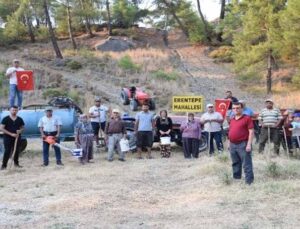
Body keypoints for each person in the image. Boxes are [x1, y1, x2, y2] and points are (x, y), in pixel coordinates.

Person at [228, 102, 254, 185]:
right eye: (234, 108)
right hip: (232, 144)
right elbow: (230, 131)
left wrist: (249, 144)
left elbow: (251, 132)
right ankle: (237, 178)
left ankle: (249, 182)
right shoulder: (232, 119)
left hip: (243, 144)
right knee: (235, 162)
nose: (236, 110)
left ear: (242, 109)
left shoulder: (247, 118)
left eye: (238, 108)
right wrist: (229, 143)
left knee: (246, 163)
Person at [1, 106, 25, 170]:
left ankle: (16, 164)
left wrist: (20, 131)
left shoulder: (19, 119)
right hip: (7, 137)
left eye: (16, 110)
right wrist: (11, 134)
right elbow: (1, 128)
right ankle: (4, 165)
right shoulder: (5, 119)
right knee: (7, 151)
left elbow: (23, 127)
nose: (14, 111)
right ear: (10, 110)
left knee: (16, 151)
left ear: (17, 111)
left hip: (17, 137)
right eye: (13, 110)